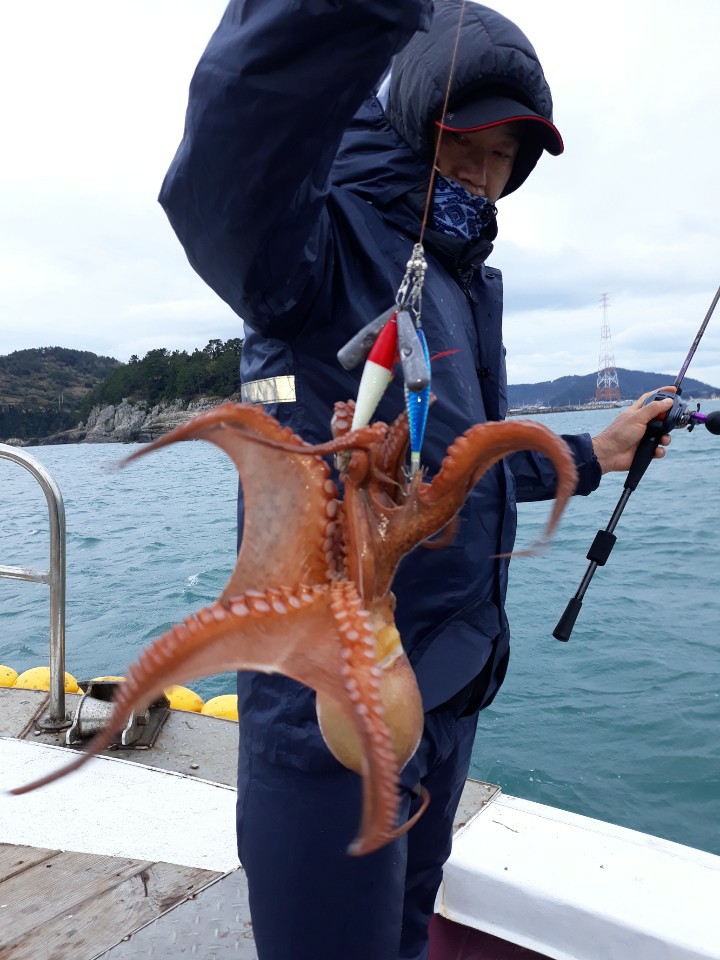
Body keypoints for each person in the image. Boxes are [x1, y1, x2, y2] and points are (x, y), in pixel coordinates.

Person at [159, 1, 673, 957]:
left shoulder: (465, 281)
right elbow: (234, 160)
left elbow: (455, 461)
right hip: (330, 705)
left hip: (444, 684)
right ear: (410, 125)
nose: (483, 173)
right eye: (462, 145)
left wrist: (594, 454)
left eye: (503, 156)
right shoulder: (313, 248)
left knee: (406, 937)